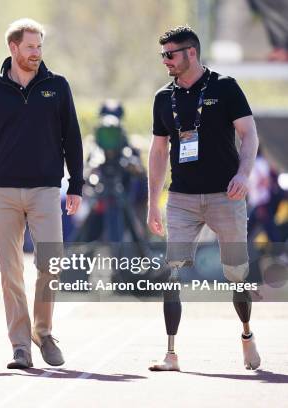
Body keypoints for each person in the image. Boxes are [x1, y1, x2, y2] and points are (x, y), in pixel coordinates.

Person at [0, 18, 84, 369]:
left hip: (47, 190)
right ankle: (20, 345)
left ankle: (43, 332)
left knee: (51, 263)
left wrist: (75, 184)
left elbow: (72, 137)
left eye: (40, 46)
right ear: (13, 48)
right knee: (9, 272)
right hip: (1, 192)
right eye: (31, 46)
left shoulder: (57, 86)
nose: (37, 53)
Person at [147, 26, 261, 371]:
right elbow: (158, 150)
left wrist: (243, 174)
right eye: (162, 55)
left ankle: (246, 334)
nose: (165, 60)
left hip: (225, 195)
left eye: (171, 54)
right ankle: (170, 354)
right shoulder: (162, 97)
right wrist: (153, 201)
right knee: (172, 272)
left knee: (237, 274)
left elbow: (249, 133)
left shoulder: (225, 87)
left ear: (191, 53)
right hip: (181, 197)